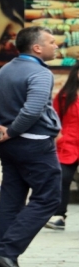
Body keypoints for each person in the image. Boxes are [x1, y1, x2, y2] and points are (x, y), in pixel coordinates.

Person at [0, 26, 62, 267]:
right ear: (37, 48)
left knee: (11, 199)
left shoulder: (4, 70)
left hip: (10, 146)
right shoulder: (40, 72)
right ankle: (7, 251)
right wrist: (11, 131)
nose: (56, 45)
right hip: (34, 144)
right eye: (51, 42)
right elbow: (32, 110)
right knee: (48, 198)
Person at [47, 65, 79, 230]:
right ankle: (59, 216)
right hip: (68, 143)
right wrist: (57, 135)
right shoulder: (65, 96)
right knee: (62, 179)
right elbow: (53, 117)